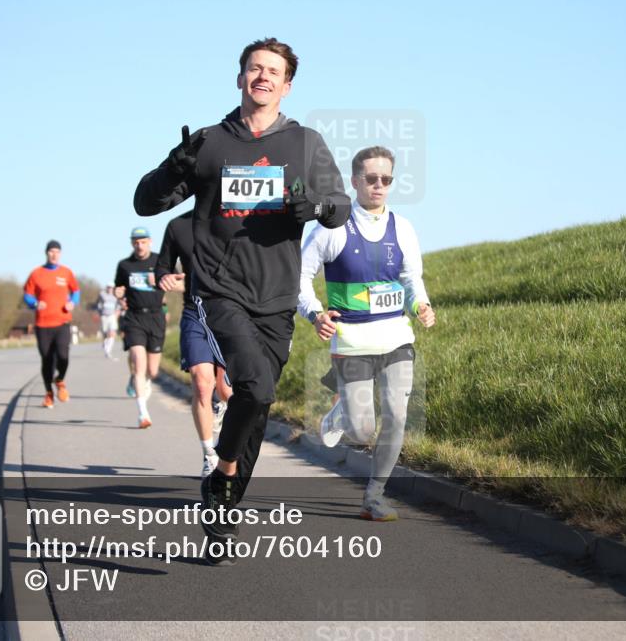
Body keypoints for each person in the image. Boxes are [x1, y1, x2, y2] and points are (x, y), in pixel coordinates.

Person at [134, 37, 349, 563]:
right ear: (240, 79)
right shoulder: (209, 143)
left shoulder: (305, 143)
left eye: (273, 71)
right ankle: (224, 473)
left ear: (287, 85)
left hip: (276, 294)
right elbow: (146, 200)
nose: (263, 77)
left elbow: (340, 207)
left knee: (258, 400)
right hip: (219, 288)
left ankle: (222, 503)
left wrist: (314, 205)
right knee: (250, 383)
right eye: (255, 68)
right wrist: (172, 167)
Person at [298, 146, 435, 521]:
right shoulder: (332, 227)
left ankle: (374, 496)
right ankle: (343, 407)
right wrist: (315, 314)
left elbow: (411, 279)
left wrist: (420, 305)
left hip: (397, 340)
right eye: (371, 179)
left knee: (397, 416)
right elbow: (300, 277)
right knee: (361, 432)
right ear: (355, 181)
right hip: (353, 343)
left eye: (386, 179)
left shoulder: (402, 228)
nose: (378, 186)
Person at [156, 211, 233, 478]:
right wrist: (165, 278)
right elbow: (162, 269)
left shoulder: (233, 218)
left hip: (229, 313)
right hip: (194, 313)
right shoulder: (178, 226)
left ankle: (221, 409)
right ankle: (209, 454)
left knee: (226, 390)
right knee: (202, 385)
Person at [114, 227, 167, 428]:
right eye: (136, 242)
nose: (140, 245)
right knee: (138, 362)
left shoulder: (160, 261)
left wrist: (160, 281)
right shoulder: (125, 265)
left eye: (143, 241)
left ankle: (144, 380)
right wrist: (119, 294)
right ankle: (142, 413)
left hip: (156, 317)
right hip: (135, 317)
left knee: (152, 372)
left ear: (150, 242)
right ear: (131, 244)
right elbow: (119, 289)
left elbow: (178, 282)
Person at [23, 240, 80, 408]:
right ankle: (48, 393)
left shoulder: (66, 272)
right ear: (46, 253)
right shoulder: (36, 274)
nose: (54, 255)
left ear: (60, 254)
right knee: (47, 360)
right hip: (43, 324)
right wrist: (34, 303)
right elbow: (27, 295)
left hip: (62, 321)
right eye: (51, 252)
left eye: (57, 252)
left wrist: (72, 302)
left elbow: (76, 291)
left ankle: (60, 379)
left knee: (63, 356)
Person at [97, 284, 121, 359]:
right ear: (107, 288)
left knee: (112, 332)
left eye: (111, 288)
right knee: (105, 332)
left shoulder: (115, 296)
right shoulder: (102, 295)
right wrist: (100, 313)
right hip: (104, 316)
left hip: (112, 316)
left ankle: (108, 350)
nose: (110, 289)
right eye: (109, 287)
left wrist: (117, 313)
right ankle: (105, 343)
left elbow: (118, 306)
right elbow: (98, 305)